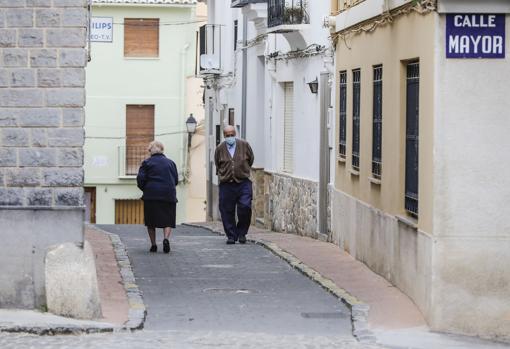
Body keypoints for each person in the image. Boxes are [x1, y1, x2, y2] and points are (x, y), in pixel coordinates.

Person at [214, 125, 254, 244]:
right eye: (227, 135)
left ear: (235, 133)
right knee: (226, 210)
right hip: (226, 184)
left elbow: (251, 159)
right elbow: (217, 163)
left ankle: (242, 232)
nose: (230, 137)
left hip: (243, 182)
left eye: (232, 134)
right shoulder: (220, 148)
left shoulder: (244, 145)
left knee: (245, 207)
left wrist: (243, 170)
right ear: (224, 136)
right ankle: (231, 235)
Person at [137, 141, 179, 253]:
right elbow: (175, 180)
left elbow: (140, 180)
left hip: (151, 195)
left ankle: (153, 245)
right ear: (162, 150)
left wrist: (146, 189)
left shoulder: (146, 163)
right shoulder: (171, 163)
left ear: (150, 151)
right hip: (168, 195)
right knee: (168, 220)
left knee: (151, 221)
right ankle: (165, 239)